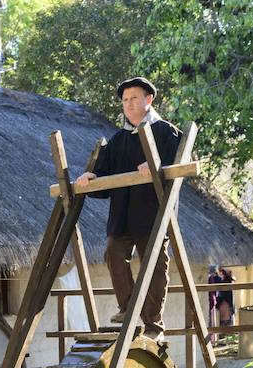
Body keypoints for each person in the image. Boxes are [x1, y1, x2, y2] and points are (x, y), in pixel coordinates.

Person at [73, 76, 180, 340]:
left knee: (154, 264)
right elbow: (104, 177)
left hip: (153, 212)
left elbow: (175, 169)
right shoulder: (118, 140)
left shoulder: (166, 132)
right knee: (112, 252)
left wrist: (157, 166)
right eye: (125, 100)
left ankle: (153, 324)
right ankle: (128, 308)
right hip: (122, 215)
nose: (129, 104)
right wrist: (91, 177)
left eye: (134, 98)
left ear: (149, 100)